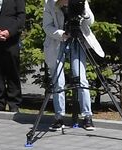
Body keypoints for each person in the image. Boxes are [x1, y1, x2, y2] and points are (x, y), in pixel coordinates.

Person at [43, 0, 104, 131]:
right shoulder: (49, 3)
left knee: (81, 77)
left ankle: (87, 116)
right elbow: (47, 26)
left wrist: (84, 12)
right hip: (58, 42)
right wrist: (62, 34)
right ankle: (59, 117)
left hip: (78, 39)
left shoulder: (80, 1)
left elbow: (90, 21)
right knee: (58, 81)